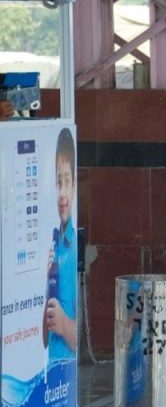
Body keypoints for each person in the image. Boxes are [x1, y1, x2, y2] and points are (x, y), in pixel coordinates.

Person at [45, 128, 78, 357]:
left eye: (67, 181)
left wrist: (64, 324)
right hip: (50, 375)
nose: (63, 193)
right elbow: (44, 339)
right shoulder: (53, 244)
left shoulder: (75, 247)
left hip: (65, 373)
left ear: (75, 184)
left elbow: (80, 338)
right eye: (58, 182)